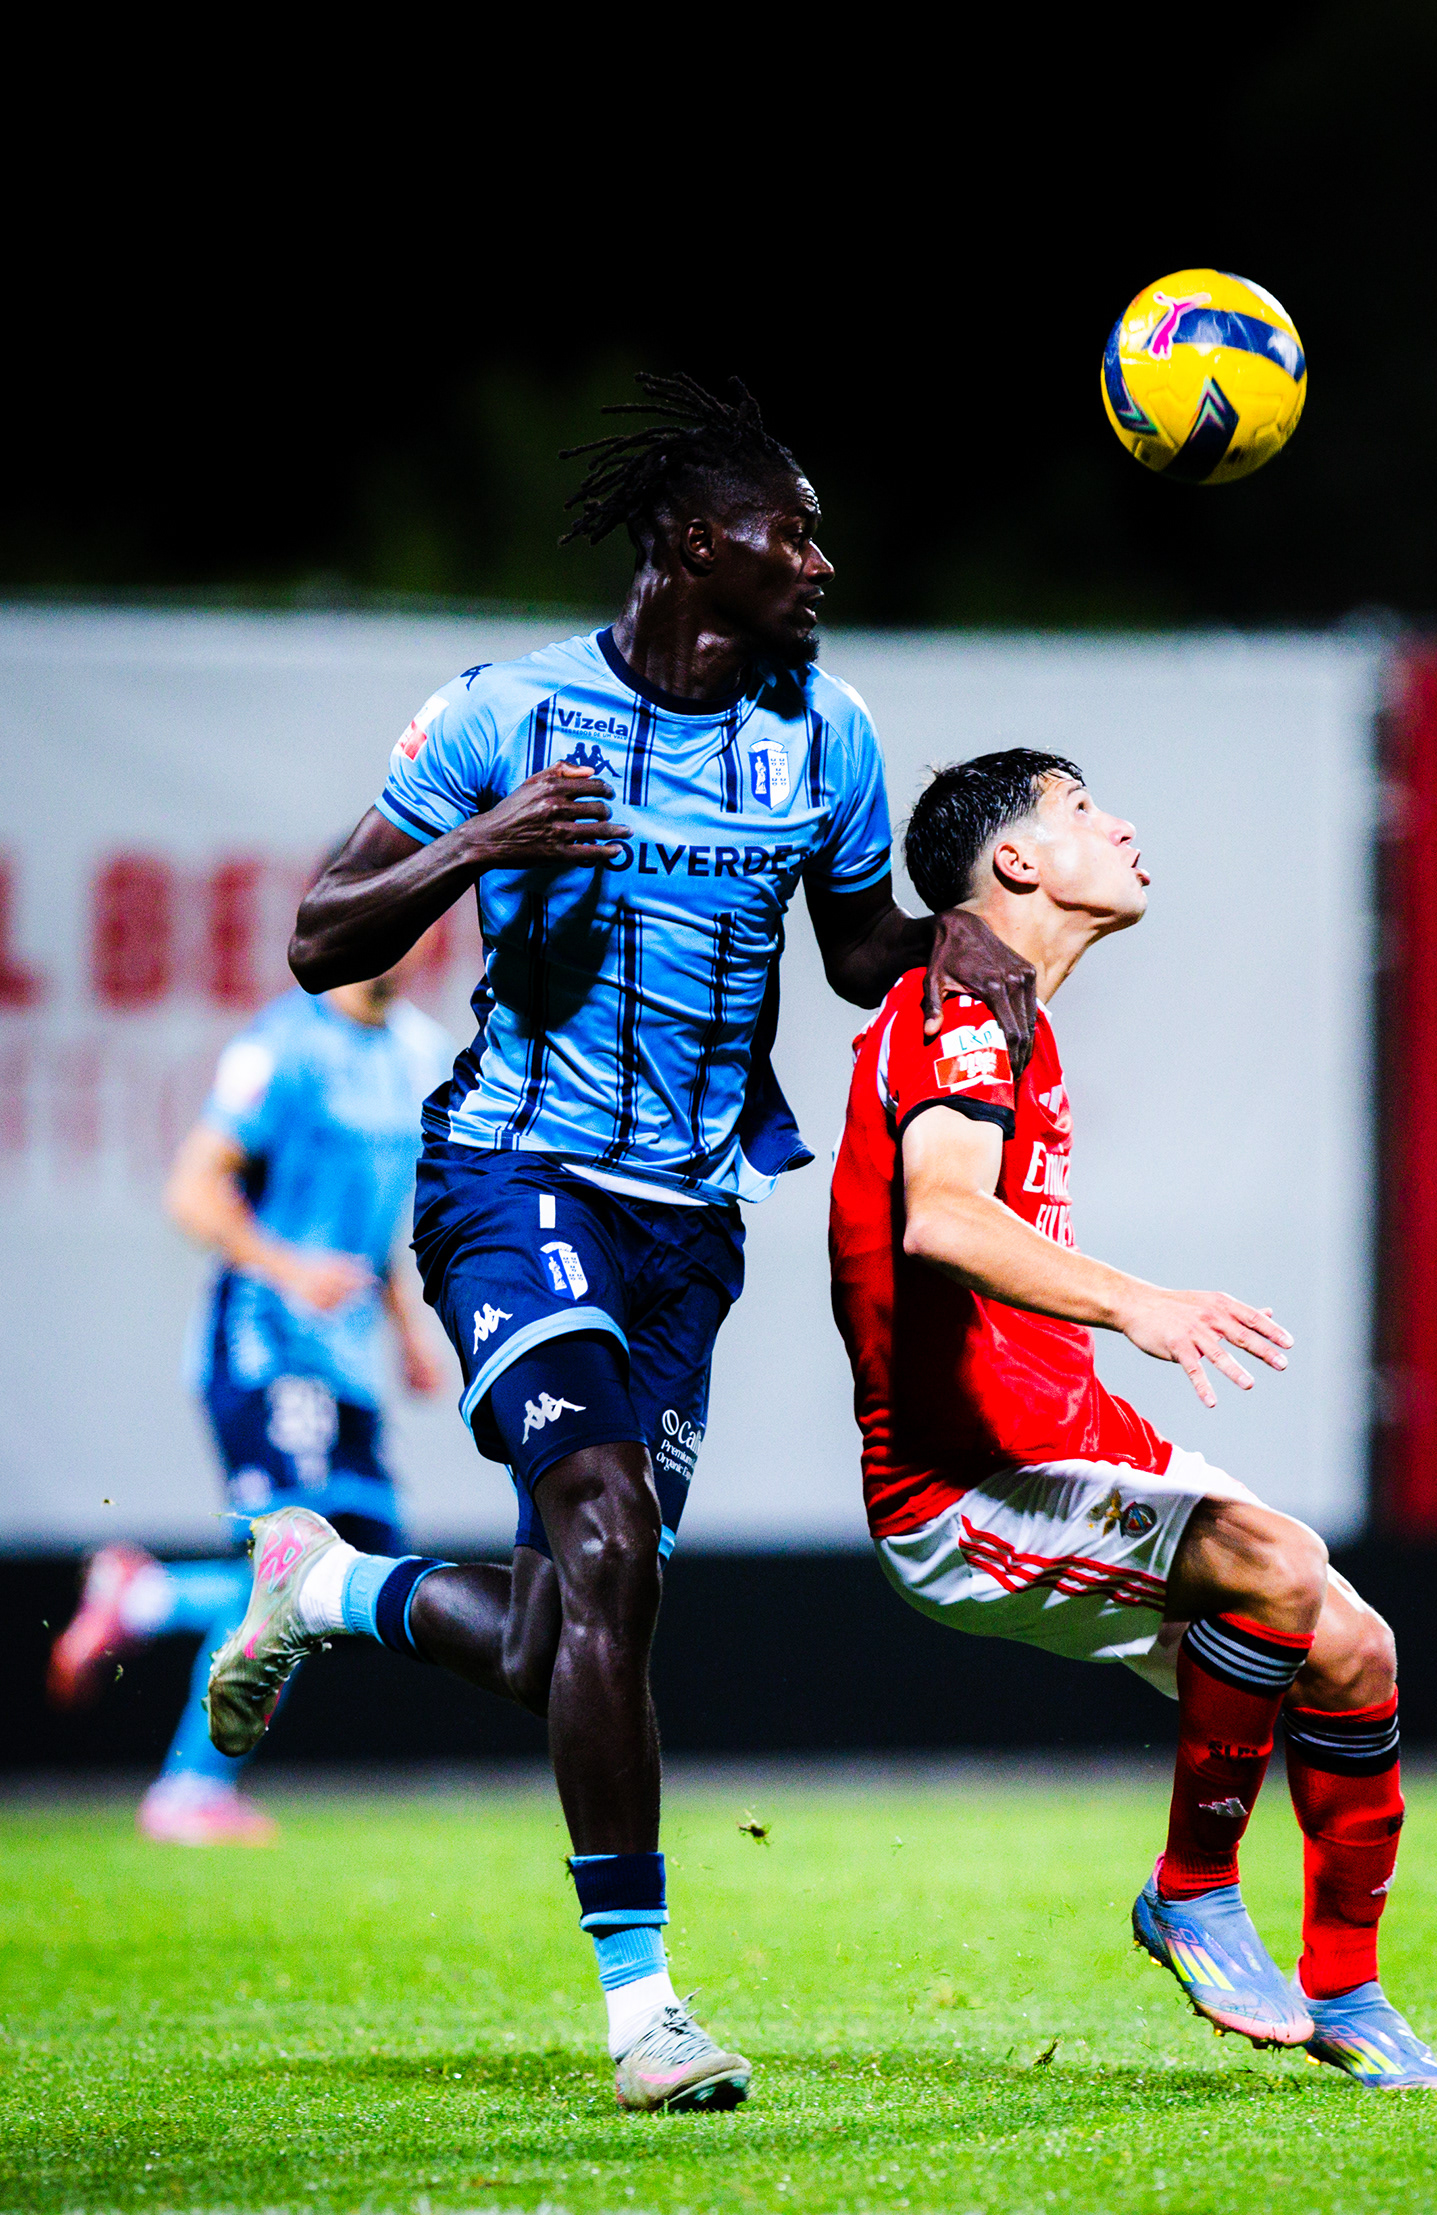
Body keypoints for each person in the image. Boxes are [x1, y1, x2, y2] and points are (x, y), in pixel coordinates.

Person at [202, 374, 1033, 2113]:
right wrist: (484, 841)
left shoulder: (829, 734)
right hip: (514, 1177)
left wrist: (952, 942)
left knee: (569, 1623)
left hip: (690, 1225)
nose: (819, 560)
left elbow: (855, 954)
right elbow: (317, 934)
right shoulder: (504, 713)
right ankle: (645, 2012)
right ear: (688, 542)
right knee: (603, 1531)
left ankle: (325, 1587)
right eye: (787, 531)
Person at [826, 750, 1437, 2088]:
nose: (1119, 826)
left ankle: (1347, 1994)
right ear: (1015, 862)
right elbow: (942, 1220)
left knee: (1356, 1647)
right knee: (1279, 1564)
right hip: (964, 1484)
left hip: (1069, 1436)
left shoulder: (1008, 1008)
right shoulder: (959, 1005)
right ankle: (1193, 1890)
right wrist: (1137, 1303)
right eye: (1078, 809)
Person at [47, 966, 450, 1842]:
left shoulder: (419, 1054)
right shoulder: (281, 1047)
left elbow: (372, 1214)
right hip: (263, 1345)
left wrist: (406, 1330)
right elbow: (192, 1192)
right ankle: (189, 1789)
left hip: (343, 1361)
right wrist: (290, 1269)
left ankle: (147, 1598)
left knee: (359, 1574)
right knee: (291, 1574)